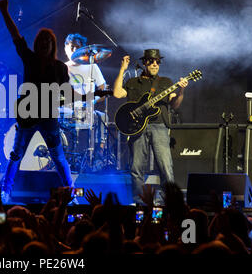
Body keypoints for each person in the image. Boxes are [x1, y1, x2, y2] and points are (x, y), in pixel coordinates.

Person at [0, 0, 92, 204]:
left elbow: (67, 93)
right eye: (41, 42)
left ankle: (71, 194)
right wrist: (4, 12)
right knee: (16, 155)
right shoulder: (29, 58)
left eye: (47, 42)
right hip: (27, 117)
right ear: (37, 45)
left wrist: (89, 95)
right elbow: (16, 36)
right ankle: (6, 192)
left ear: (52, 46)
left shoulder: (60, 68)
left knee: (58, 158)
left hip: (48, 117)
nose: (43, 45)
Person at [113, 49, 188, 204]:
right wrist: (122, 70)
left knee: (166, 167)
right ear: (144, 63)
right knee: (136, 167)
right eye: (151, 61)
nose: (154, 64)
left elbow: (174, 104)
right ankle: (139, 201)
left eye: (157, 61)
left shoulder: (166, 82)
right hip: (136, 127)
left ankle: (169, 201)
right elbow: (117, 93)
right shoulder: (133, 82)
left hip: (159, 126)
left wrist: (181, 91)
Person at [63, 33, 108, 170]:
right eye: (72, 47)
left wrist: (92, 102)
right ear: (66, 48)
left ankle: (98, 154)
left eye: (77, 47)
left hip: (87, 109)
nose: (74, 50)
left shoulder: (92, 66)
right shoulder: (63, 67)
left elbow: (103, 89)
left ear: (83, 49)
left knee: (103, 116)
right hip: (68, 110)